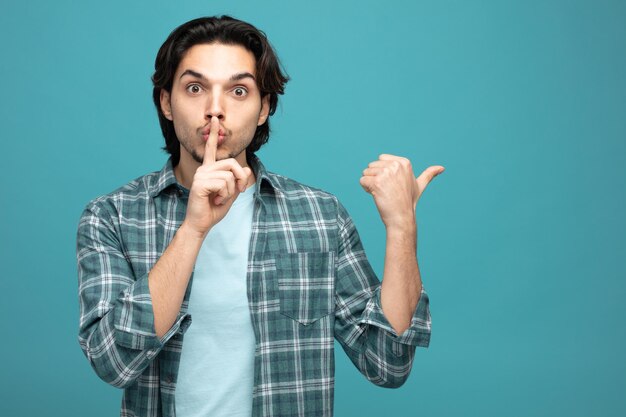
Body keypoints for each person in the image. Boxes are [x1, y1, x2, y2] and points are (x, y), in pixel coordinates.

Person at [77, 15, 444, 417]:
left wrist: (402, 227)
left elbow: (388, 362)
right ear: (167, 102)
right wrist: (194, 229)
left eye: (238, 90)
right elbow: (112, 362)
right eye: (195, 88)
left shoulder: (320, 217)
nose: (215, 110)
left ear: (264, 107)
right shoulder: (112, 216)